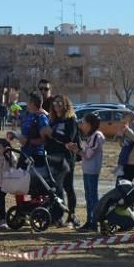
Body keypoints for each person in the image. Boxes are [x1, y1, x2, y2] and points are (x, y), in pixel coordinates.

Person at [44, 94, 82, 226]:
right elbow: (49, 139)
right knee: (56, 187)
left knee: (68, 187)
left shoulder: (70, 119)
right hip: (53, 157)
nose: (57, 105)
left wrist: (52, 134)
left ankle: (72, 215)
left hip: (66, 157)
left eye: (60, 103)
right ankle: (57, 216)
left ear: (66, 105)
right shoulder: (53, 120)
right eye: (55, 103)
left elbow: (69, 138)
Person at [78, 112, 105, 232]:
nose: (81, 124)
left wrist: (76, 150)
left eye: (83, 122)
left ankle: (95, 222)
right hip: (87, 169)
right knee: (88, 196)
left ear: (89, 124)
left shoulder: (96, 136)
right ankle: (89, 221)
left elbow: (88, 155)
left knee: (93, 197)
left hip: (92, 170)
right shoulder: (91, 136)